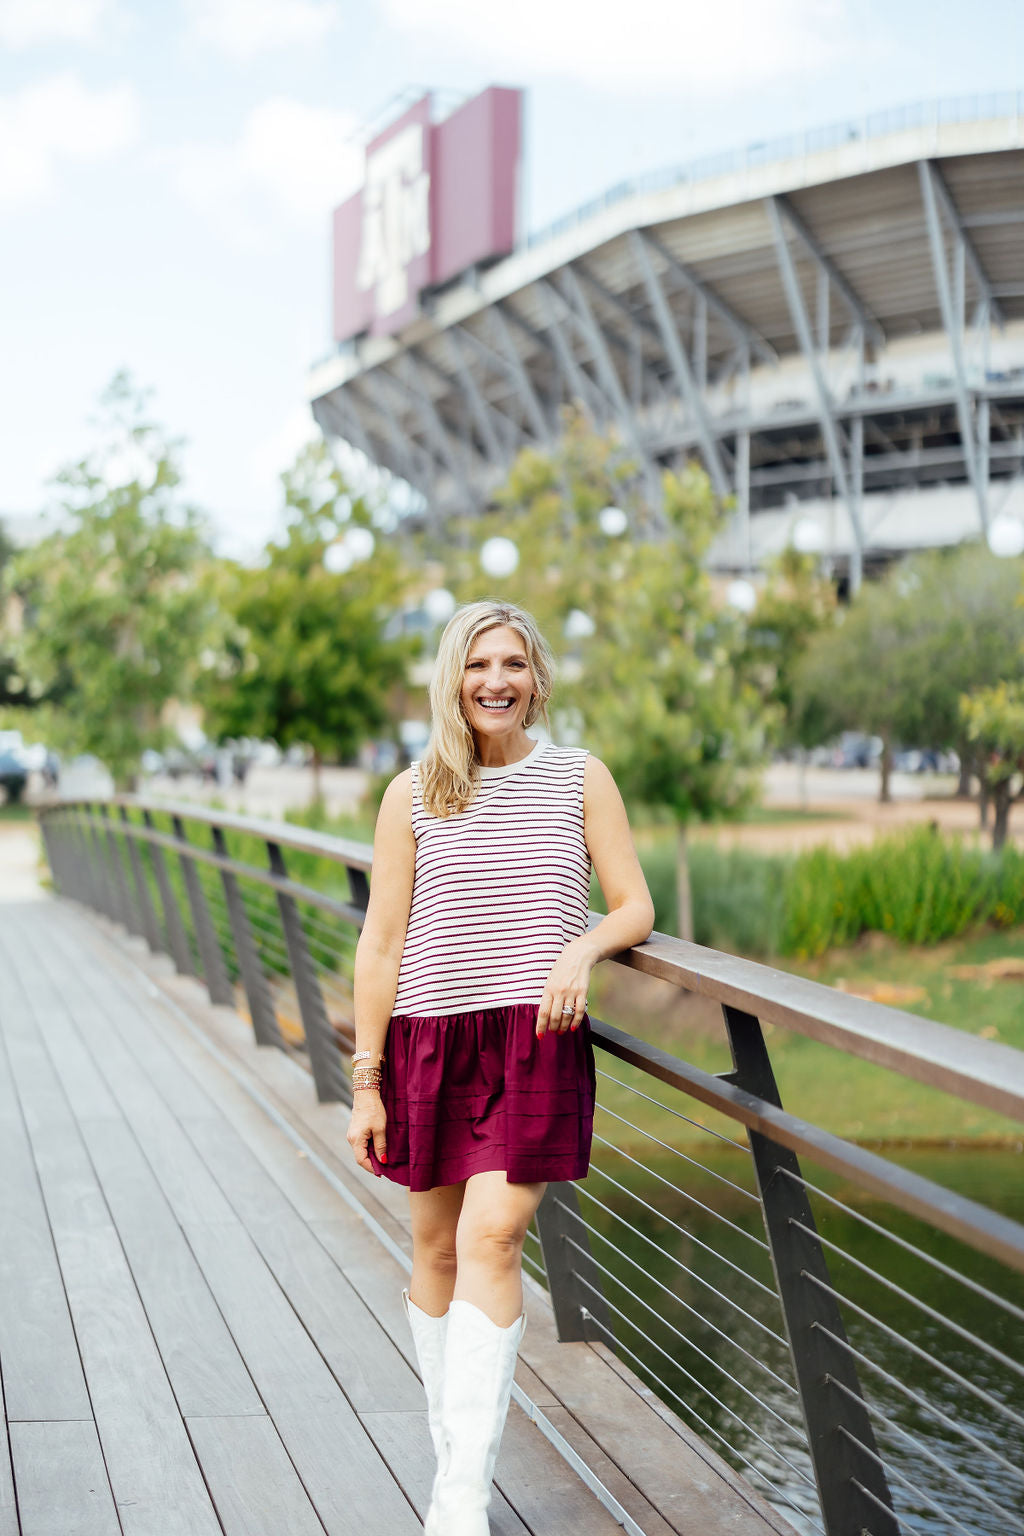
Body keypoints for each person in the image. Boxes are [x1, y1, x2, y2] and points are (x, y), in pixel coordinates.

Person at [346, 600, 654, 1535]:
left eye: (513, 663)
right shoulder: (412, 794)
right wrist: (367, 1081)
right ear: (453, 678)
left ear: (536, 677)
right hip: (429, 1039)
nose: (496, 680)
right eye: (478, 664)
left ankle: (460, 1502)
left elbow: (633, 904)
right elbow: (382, 943)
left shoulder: (579, 778)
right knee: (435, 1249)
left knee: (493, 1238)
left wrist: (579, 952)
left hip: (534, 1039)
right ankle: (456, 1461)